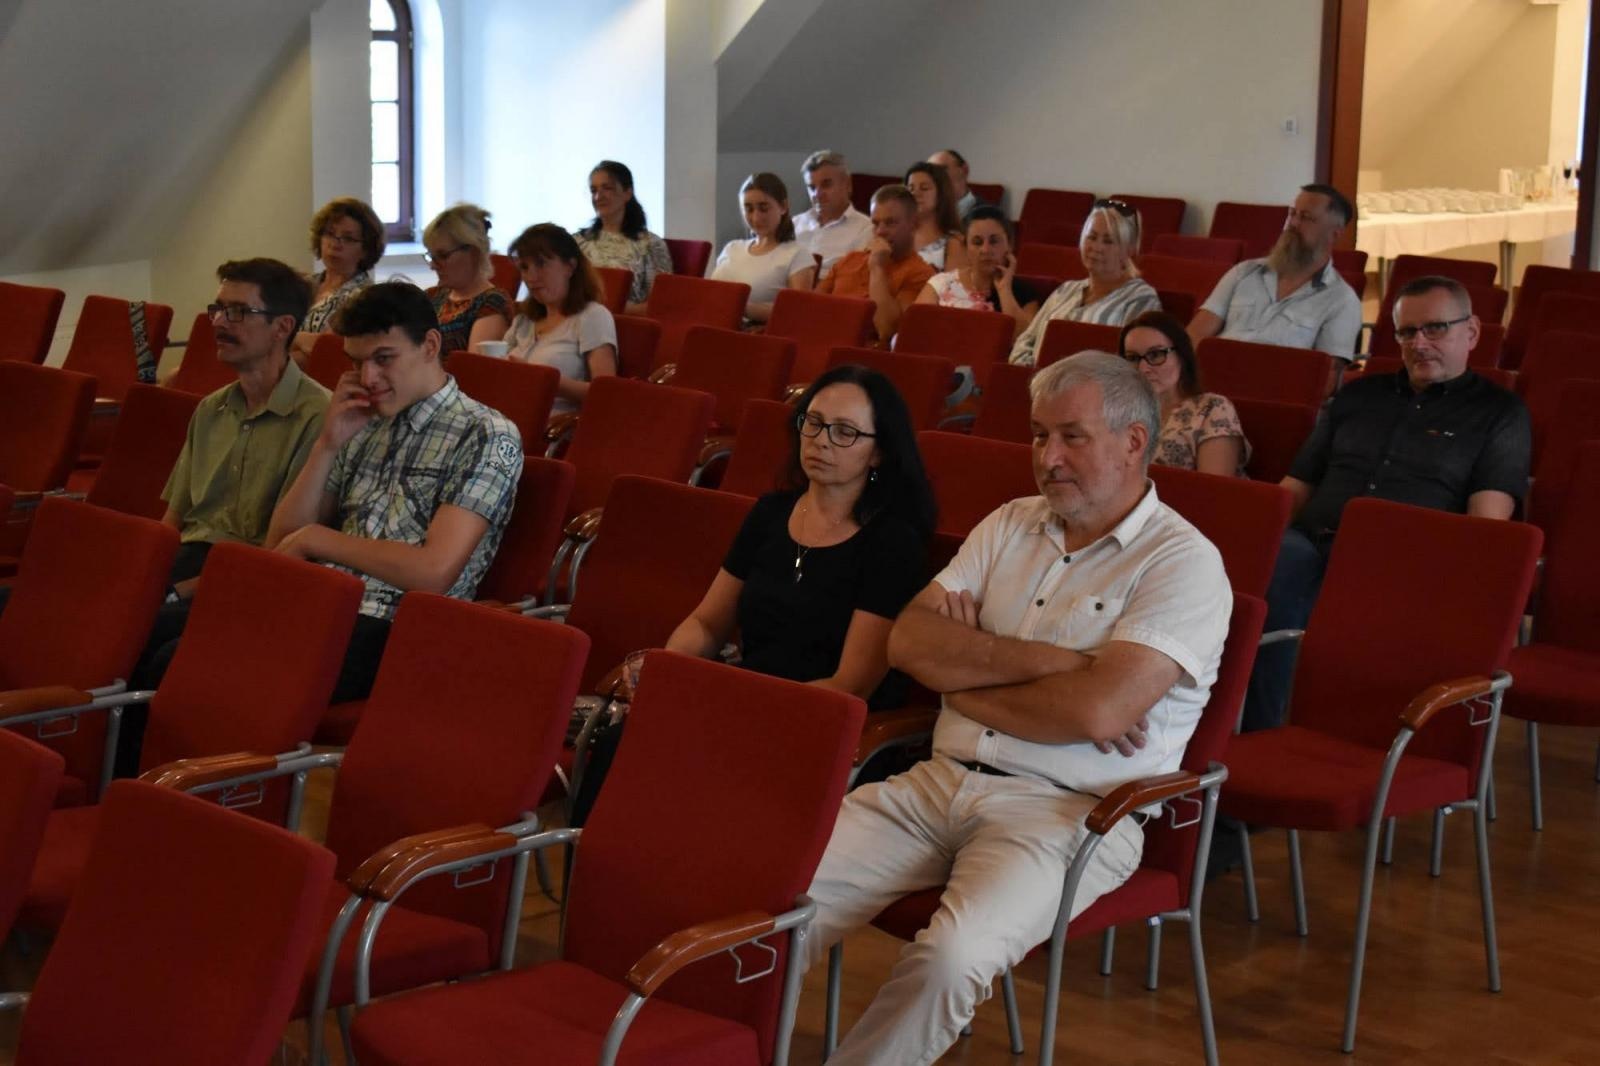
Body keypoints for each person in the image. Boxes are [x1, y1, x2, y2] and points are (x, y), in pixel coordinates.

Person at [801, 351, 1230, 1065]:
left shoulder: (1182, 563)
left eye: (1071, 436)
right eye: (1038, 436)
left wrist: (966, 675)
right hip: (939, 781)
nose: (1048, 457)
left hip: (1071, 815)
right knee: (775, 894)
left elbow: (1097, 712)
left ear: (1133, 442)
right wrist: (1062, 667)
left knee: (950, 957)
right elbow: (908, 641)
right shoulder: (1010, 524)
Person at [1242, 275, 1531, 732]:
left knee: (1289, 597)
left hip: (1405, 562)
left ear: (1471, 332)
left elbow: (1486, 530)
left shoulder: (1500, 414)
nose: (1419, 343)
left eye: (1434, 329)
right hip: (1312, 546)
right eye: (1406, 332)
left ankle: (1290, 743)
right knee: (1261, 572)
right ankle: (1258, 743)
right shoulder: (1359, 395)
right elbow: (1294, 489)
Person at [263, 280, 523, 703]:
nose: (368, 378)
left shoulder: (486, 434)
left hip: (399, 629)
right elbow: (280, 540)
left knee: (219, 668)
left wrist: (318, 540)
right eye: (357, 362)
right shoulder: (359, 421)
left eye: (384, 359)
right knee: (167, 650)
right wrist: (327, 444)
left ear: (430, 345)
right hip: (322, 603)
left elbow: (433, 572)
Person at [116, 259, 327, 768]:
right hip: (188, 559)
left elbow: (280, 550)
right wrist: (142, 574)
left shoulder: (317, 417)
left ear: (282, 327)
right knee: (52, 602)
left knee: (144, 630)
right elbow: (174, 521)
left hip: (252, 574)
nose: (218, 322)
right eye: (218, 308)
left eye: (238, 311)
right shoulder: (211, 409)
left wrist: (172, 590)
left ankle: (128, 782)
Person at [656, 364, 935, 709]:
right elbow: (708, 624)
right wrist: (670, 666)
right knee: (624, 735)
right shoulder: (771, 512)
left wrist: (736, 702)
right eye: (814, 423)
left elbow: (850, 685)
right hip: (742, 696)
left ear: (878, 452)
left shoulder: (892, 542)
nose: (820, 441)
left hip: (812, 718)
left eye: (844, 432)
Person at [1188, 183, 1363, 364]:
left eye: (1306, 217)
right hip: (1211, 378)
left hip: (1274, 388)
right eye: (1292, 214)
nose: (1293, 223)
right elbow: (1195, 334)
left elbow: (1328, 377)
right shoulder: (1244, 272)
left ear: (1334, 234)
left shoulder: (1342, 301)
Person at [1008, 199, 1162, 366]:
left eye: (1108, 241)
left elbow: (1135, 364)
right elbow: (1025, 341)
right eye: (1092, 237)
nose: (1097, 247)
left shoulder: (1141, 298)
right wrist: (1033, 376)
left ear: (1129, 249)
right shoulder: (1066, 290)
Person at [501, 223, 617, 414]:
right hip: (507, 418)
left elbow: (606, 392)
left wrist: (542, 379)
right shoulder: (523, 320)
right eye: (524, 267)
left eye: (541, 264)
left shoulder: (592, 316)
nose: (531, 276)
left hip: (553, 428)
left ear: (570, 267)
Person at [1119, 310, 1250, 476]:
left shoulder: (1212, 408)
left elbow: (1214, 492)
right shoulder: (1118, 412)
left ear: (1181, 355)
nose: (1143, 368)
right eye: (1132, 358)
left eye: (1156, 355)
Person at [818, 184, 936, 343]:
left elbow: (887, 330)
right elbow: (811, 308)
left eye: (890, 223)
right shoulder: (850, 260)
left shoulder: (921, 274)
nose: (880, 231)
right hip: (825, 340)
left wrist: (877, 268)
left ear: (914, 224)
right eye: (875, 223)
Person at [915, 205, 1041, 338]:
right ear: (966, 248)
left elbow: (1024, 342)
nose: (986, 250)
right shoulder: (941, 284)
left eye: (994, 241)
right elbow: (914, 332)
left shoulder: (1025, 293)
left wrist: (1004, 290)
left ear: (1009, 245)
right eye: (977, 242)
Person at [710, 172, 815, 324]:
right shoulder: (732, 248)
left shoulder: (796, 255)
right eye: (749, 209)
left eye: (764, 208)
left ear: (783, 207)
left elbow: (797, 314)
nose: (756, 218)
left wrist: (740, 307)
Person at [574, 160, 673, 313]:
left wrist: (610, 311)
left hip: (627, 327)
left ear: (627, 193)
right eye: (594, 190)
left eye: (607, 188)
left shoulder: (650, 244)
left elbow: (660, 305)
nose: (598, 196)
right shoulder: (577, 242)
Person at [294, 197, 385, 360]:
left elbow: (328, 348)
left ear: (366, 249)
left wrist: (292, 337)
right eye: (329, 234)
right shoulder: (302, 285)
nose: (335, 244)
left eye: (348, 238)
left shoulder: (365, 297)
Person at [422, 203, 511, 355]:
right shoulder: (432, 296)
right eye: (431, 256)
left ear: (474, 253)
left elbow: (472, 370)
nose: (433, 266)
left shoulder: (491, 304)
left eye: (443, 256)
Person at [793, 149, 873, 277]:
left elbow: (853, 282)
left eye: (826, 185)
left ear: (848, 185)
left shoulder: (865, 229)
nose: (817, 195)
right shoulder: (794, 223)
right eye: (812, 187)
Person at [903, 162, 965, 271]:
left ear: (941, 194)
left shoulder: (954, 243)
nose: (915, 194)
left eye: (924, 188)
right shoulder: (897, 235)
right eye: (911, 189)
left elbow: (952, 286)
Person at [928, 148, 986, 219]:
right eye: (930, 173)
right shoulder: (923, 216)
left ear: (964, 170)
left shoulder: (988, 216)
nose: (935, 177)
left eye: (941, 170)